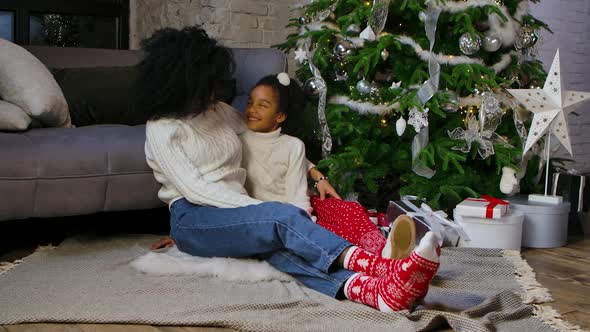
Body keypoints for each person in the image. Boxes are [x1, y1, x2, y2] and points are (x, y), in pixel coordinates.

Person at [139, 25, 440, 312]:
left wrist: (314, 172)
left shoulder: (218, 112)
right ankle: (383, 267)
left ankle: (377, 293)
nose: (211, 93)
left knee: (278, 247)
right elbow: (196, 189)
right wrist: (260, 210)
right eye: (203, 85)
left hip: (234, 211)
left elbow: (267, 138)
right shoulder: (163, 129)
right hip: (194, 215)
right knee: (281, 219)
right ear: (180, 82)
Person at [240, 72, 417, 259]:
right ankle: (380, 255)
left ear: (280, 116)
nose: (252, 109)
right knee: (330, 232)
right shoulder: (238, 138)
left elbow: (297, 194)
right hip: (280, 215)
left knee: (349, 210)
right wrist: (305, 226)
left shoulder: (292, 145)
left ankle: (384, 245)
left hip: (300, 205)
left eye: (262, 105)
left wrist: (314, 182)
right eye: (250, 102)